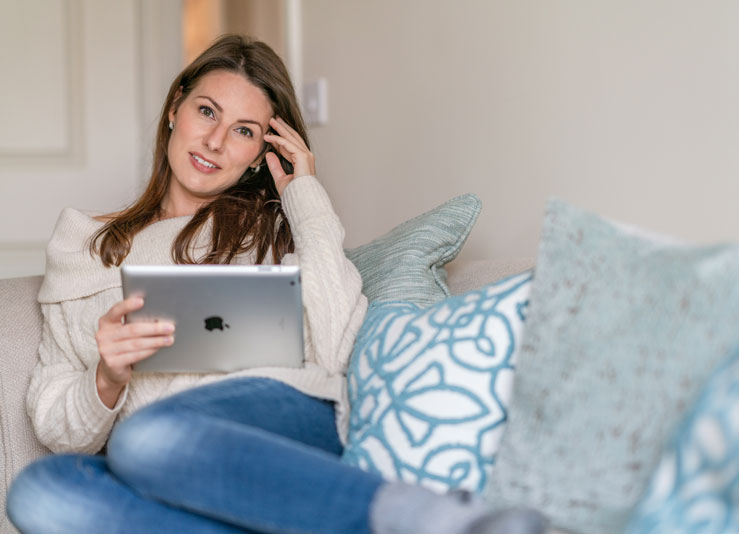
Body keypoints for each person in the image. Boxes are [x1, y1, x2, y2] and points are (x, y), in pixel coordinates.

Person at [6, 35, 548, 534]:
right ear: (175, 109)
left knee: (146, 436)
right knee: (39, 491)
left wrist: (305, 195)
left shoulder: (269, 228)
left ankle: (430, 520)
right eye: (207, 112)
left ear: (258, 154)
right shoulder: (84, 245)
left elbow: (336, 346)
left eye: (243, 131)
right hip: (164, 459)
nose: (215, 141)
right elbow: (57, 426)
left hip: (281, 415)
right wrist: (107, 377)